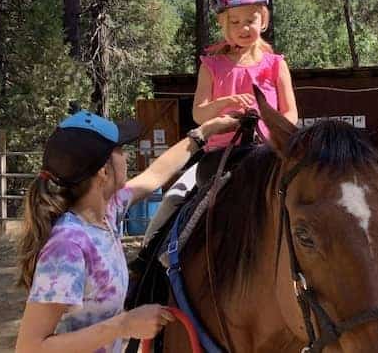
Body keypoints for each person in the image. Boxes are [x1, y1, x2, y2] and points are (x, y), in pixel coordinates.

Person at [16, 110, 238, 352]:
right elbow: (30, 347)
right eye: (120, 150)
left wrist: (204, 132)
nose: (127, 156)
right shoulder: (68, 247)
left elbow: (155, 174)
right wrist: (123, 325)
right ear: (103, 171)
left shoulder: (106, 211)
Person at [143, 0, 298, 244]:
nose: (244, 27)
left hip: (268, 153)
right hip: (218, 156)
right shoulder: (211, 66)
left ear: (263, 19)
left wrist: (275, 136)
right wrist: (225, 103)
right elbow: (198, 113)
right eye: (235, 21)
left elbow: (290, 113)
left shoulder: (276, 64)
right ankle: (148, 258)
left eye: (251, 19)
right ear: (223, 24)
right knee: (173, 198)